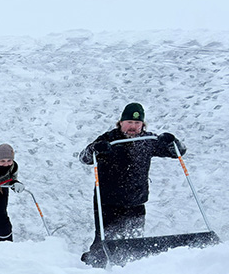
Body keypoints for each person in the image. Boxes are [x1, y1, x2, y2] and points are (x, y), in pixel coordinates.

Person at [79, 102, 187, 261]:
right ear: (121, 123)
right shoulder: (108, 139)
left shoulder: (148, 140)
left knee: (134, 241)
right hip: (108, 201)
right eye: (129, 122)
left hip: (136, 200)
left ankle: (130, 268)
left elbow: (179, 152)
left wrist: (172, 141)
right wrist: (95, 149)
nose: (133, 126)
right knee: (105, 240)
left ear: (142, 124)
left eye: (137, 123)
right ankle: (95, 264)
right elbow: (84, 158)